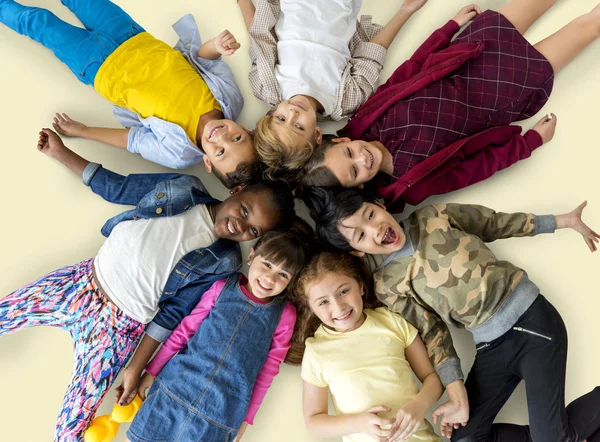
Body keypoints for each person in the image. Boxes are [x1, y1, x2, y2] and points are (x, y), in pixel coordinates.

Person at [0, 128, 295, 441]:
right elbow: (119, 187)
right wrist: (61, 153)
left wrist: (136, 368)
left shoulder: (224, 262)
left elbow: (173, 314)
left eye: (254, 230)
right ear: (237, 190)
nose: (242, 226)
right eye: (245, 211)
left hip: (117, 329)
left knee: (73, 425)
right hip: (81, 282)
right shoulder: (183, 187)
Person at [303, 186, 600, 441]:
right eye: (361, 235)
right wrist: (456, 392)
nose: (376, 229)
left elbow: (493, 223)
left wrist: (560, 221)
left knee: (552, 438)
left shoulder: (432, 217)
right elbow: (433, 332)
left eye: (370, 215)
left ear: (380, 205)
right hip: (490, 346)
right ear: (357, 251)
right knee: (466, 436)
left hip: (532, 322)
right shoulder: (387, 284)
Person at [300, 1, 600, 212]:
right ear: (357, 187)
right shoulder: (410, 182)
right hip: (505, 92)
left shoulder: (368, 119)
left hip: (475, 50)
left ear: (341, 140)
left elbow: (412, 68)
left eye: (349, 153)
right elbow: (476, 168)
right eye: (354, 172)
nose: (362, 160)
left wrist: (448, 28)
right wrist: (529, 143)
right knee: (589, 26)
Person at [0, 0, 258, 187]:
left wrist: (82, 131)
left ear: (208, 163)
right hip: (133, 36)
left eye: (220, 152)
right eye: (237, 138)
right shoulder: (231, 99)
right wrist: (215, 46)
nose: (222, 137)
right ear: (246, 131)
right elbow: (206, 61)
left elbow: (133, 140)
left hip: (99, 66)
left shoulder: (178, 153)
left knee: (36, 22)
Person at [123, 230, 308, 442]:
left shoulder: (285, 314)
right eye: (267, 264)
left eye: (283, 275)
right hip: (174, 390)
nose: (270, 278)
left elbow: (268, 370)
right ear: (251, 256)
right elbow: (183, 332)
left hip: (220, 413)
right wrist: (152, 371)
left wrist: (247, 419)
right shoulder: (222, 286)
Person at [237, 0, 429, 180]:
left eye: (281, 119)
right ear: (317, 135)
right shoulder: (345, 101)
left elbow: (260, 37)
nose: (293, 113)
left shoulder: (267, 86)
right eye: (299, 127)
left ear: (271, 115)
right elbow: (372, 55)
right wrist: (406, 11)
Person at [294, 249, 443, 442]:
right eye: (323, 302)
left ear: (361, 287)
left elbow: (433, 379)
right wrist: (359, 423)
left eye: (344, 291)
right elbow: (314, 422)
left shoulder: (392, 322)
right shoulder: (316, 351)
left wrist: (420, 405)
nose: (338, 307)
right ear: (312, 308)